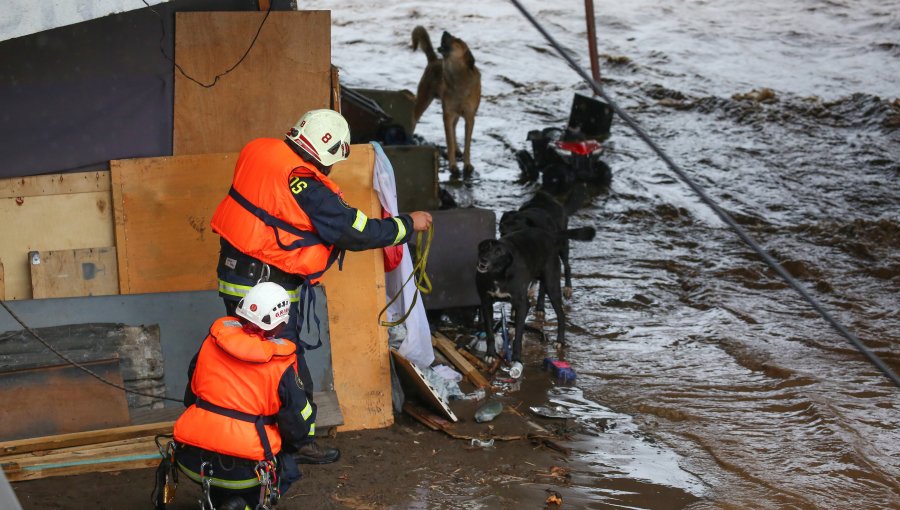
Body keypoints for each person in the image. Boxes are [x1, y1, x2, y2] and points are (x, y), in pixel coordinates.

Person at [209, 109, 433, 464]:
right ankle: (297, 443)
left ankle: (247, 432)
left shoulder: (259, 150)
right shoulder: (307, 184)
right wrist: (408, 224)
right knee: (285, 364)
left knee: (244, 358)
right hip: (267, 285)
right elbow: (355, 231)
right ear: (328, 151)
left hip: (236, 275)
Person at [172, 282, 312, 510]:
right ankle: (243, 505)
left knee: (222, 475)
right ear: (280, 324)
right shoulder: (281, 363)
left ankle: (220, 500)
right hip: (244, 470)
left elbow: (191, 396)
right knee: (288, 469)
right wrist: (298, 443)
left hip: (191, 458)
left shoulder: (212, 341)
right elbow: (296, 425)